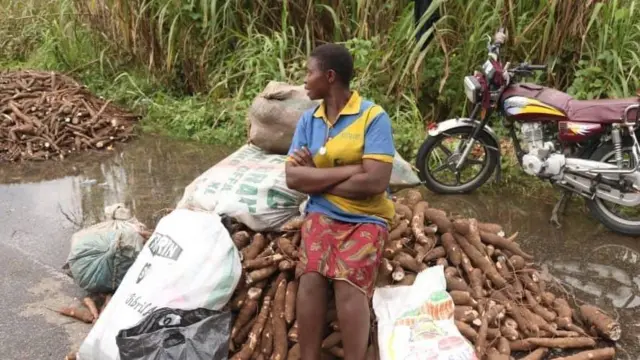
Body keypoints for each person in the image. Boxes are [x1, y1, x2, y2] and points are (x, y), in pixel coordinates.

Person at [285, 43, 396, 360]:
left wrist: (315, 177)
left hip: (367, 217)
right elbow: (293, 178)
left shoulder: (373, 117)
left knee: (348, 284)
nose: (305, 80)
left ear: (329, 76)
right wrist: (351, 169)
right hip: (321, 214)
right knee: (311, 278)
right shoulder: (310, 120)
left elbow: (375, 182)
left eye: (310, 72)